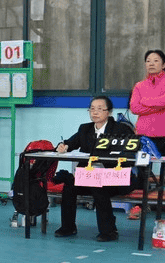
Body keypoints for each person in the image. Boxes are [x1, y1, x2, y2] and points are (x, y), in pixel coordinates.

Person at [54, 96, 140, 242]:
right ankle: (68, 227)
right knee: (69, 186)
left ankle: (109, 231)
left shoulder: (121, 129)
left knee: (99, 187)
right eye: (92, 109)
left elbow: (131, 153)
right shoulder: (85, 129)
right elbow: (68, 143)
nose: (95, 112)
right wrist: (63, 147)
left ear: (109, 112)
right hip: (89, 178)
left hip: (116, 179)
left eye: (100, 109)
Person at [129, 49, 165, 153]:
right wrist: (160, 106)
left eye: (156, 60)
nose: (151, 64)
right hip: (143, 135)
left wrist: (145, 101)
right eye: (148, 61)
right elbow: (134, 108)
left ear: (163, 65)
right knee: (143, 162)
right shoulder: (139, 85)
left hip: (163, 135)